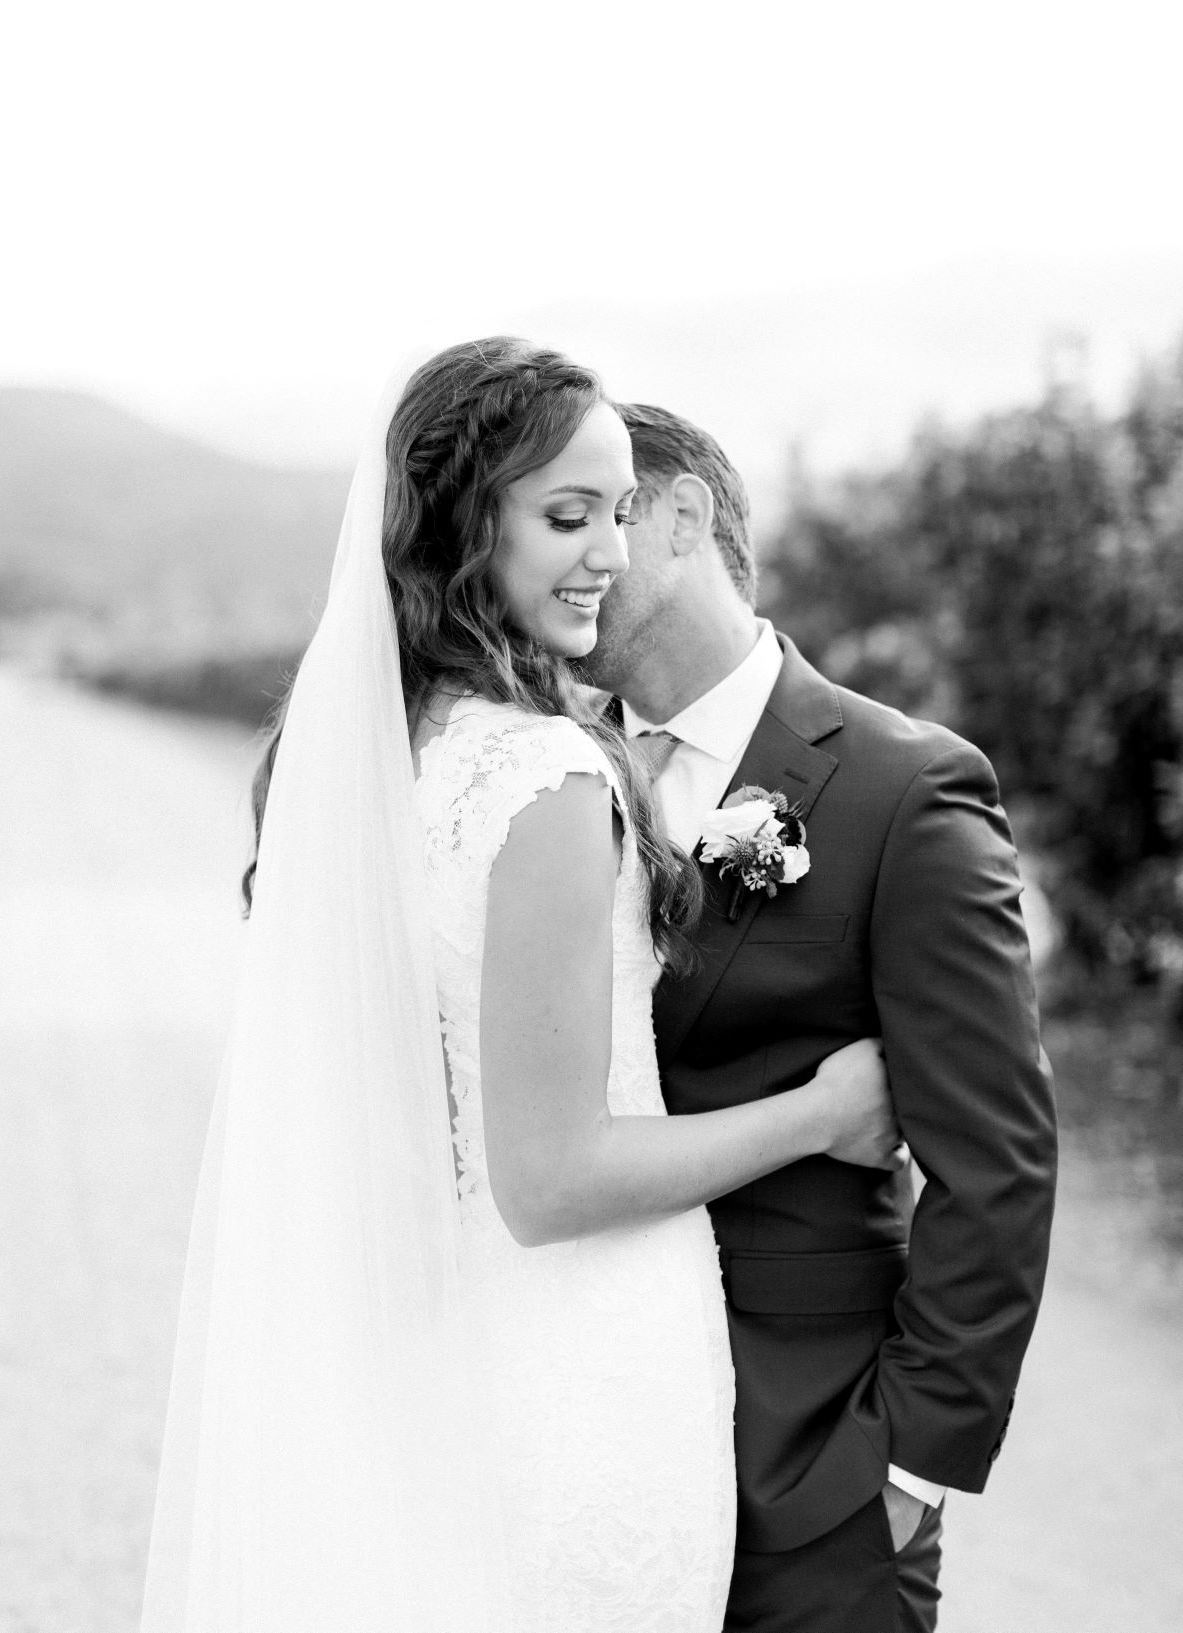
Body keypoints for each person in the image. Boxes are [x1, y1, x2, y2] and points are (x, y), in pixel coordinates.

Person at [140, 339, 906, 1633]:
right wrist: (825, 1113)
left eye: (618, 511)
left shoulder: (389, 760)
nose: (609, 550)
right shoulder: (545, 776)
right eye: (566, 516)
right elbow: (548, 1179)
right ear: (459, 524)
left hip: (447, 1352)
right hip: (585, 1368)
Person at [581, 402, 1059, 1633]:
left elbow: (994, 1158)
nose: (558, 563)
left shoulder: (907, 789)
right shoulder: (554, 779)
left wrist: (911, 1466)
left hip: (812, 1460)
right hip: (582, 1436)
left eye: (596, 514)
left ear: (682, 518)